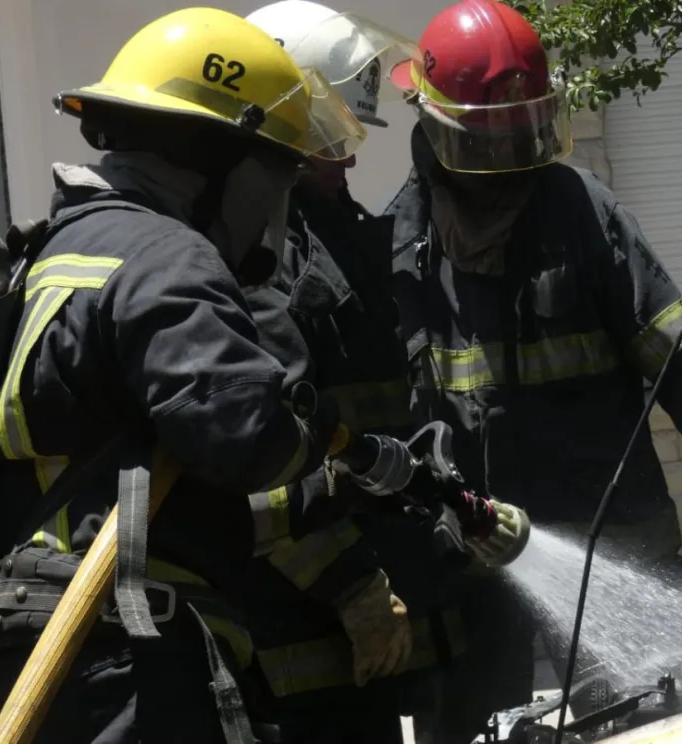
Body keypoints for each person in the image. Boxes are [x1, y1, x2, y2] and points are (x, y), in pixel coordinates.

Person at [0, 8, 396, 743]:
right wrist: (317, 438)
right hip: (129, 638)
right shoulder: (168, 255)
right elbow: (245, 431)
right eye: (276, 170)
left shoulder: (46, 253)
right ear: (222, 159)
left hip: (36, 622)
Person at [382, 0, 682, 739]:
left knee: (652, 720)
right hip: (470, 560)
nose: (508, 151)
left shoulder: (582, 211)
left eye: (519, 127)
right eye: (488, 132)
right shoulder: (398, 245)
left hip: (610, 540)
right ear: (434, 120)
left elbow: (677, 348)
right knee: (470, 727)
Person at [240, 3, 469, 742]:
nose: (348, 158)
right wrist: (353, 592)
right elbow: (259, 454)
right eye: (327, 138)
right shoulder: (256, 257)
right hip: (309, 632)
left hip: (393, 601)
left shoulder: (349, 236)